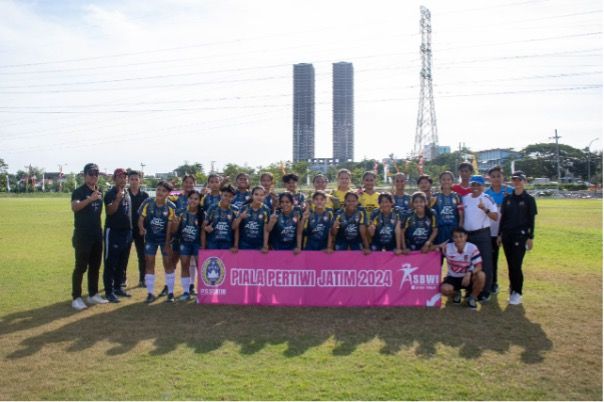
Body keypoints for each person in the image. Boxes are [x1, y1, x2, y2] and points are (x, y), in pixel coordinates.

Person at [70, 163, 107, 310]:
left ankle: (93, 294)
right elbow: (75, 207)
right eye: (91, 173)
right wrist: (90, 199)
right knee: (80, 267)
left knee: (95, 266)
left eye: (96, 174)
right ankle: (76, 297)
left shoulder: (99, 191)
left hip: (97, 234)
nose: (94, 176)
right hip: (83, 235)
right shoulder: (79, 191)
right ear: (85, 175)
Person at [498, 171, 538, 305]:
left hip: (520, 236)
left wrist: (530, 237)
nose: (517, 182)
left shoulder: (529, 199)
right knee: (511, 265)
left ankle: (517, 292)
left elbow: (531, 220)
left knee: (516, 265)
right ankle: (512, 288)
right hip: (507, 236)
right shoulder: (508, 198)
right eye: (514, 179)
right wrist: (499, 234)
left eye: (519, 179)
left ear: (524, 181)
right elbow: (502, 219)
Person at [138, 181, 176, 303]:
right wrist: (141, 228)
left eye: (164, 191)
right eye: (158, 189)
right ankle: (150, 293)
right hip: (150, 239)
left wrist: (167, 243)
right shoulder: (148, 202)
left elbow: (170, 226)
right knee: (149, 263)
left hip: (165, 239)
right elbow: (141, 218)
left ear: (168, 193)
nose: (160, 192)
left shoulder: (171, 207)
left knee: (168, 264)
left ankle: (170, 293)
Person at [462, 175, 498, 302]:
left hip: (482, 235)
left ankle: (485, 292)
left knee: (485, 264)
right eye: (473, 185)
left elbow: (495, 217)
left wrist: (485, 209)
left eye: (478, 185)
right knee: (469, 264)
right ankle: (470, 290)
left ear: (483, 186)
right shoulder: (465, 198)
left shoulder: (487, 198)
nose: (475, 187)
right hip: (468, 236)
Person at [102, 168, 133, 303]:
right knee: (111, 263)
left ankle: (118, 287)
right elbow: (110, 211)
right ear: (114, 179)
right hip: (113, 232)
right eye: (120, 177)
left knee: (122, 262)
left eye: (124, 177)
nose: (123, 179)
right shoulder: (110, 193)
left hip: (126, 232)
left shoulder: (127, 192)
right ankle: (109, 291)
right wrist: (117, 199)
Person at [440, 227, 486, 310]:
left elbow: (479, 266)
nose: (458, 239)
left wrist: (469, 273)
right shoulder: (447, 247)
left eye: (461, 236)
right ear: (453, 238)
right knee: (444, 289)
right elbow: (434, 251)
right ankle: (456, 294)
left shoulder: (472, 247)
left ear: (466, 237)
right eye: (456, 237)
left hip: (468, 277)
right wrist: (436, 246)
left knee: (481, 275)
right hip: (453, 277)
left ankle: (472, 298)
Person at [485, 166, 514, 294]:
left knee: (512, 260)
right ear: (489, 178)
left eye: (499, 176)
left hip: (508, 231)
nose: (496, 179)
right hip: (491, 232)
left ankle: (514, 286)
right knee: (492, 259)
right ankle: (493, 283)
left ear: (503, 177)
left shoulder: (511, 191)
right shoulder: (486, 193)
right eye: (493, 176)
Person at [166, 175, 196, 297]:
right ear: (183, 184)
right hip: (178, 234)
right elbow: (165, 196)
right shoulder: (176, 196)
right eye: (186, 182)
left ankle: (191, 285)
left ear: (194, 184)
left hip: (192, 234)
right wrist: (171, 186)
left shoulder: (198, 197)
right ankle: (168, 287)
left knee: (191, 262)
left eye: (191, 183)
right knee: (174, 260)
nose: (188, 185)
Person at [178, 191, 204, 301]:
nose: (193, 201)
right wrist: (175, 223)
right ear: (187, 199)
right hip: (184, 243)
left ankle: (201, 292)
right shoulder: (181, 212)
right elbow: (175, 230)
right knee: (184, 265)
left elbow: (203, 231)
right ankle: (186, 291)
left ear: (199, 201)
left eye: (196, 199)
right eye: (191, 198)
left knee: (200, 267)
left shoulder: (203, 214)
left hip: (197, 244)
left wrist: (203, 246)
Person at [125, 170, 149, 288]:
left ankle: (142, 279)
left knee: (142, 255)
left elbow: (148, 214)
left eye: (136, 179)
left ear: (140, 180)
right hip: (126, 230)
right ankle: (122, 279)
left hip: (140, 229)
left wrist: (144, 227)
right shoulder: (124, 194)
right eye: (132, 179)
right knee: (124, 255)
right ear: (128, 180)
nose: (134, 181)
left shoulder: (145, 196)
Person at [233, 186, 271, 251]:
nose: (259, 197)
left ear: (265, 196)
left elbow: (266, 229)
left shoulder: (266, 209)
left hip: (259, 245)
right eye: (256, 194)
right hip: (244, 245)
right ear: (251, 195)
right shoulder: (244, 208)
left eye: (262, 195)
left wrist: (265, 245)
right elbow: (235, 227)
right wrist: (236, 245)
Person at [202, 184, 238, 252]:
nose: (227, 198)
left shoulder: (235, 209)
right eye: (225, 195)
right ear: (221, 195)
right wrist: (206, 228)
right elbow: (203, 226)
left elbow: (236, 229)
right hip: (212, 243)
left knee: (226, 263)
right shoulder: (212, 208)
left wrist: (235, 245)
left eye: (230, 196)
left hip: (227, 243)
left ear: (233, 198)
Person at [433, 171, 464, 249]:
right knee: (439, 257)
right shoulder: (435, 197)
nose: (446, 181)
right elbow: (431, 215)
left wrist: (459, 231)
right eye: (443, 179)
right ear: (440, 181)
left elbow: (461, 215)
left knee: (454, 257)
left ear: (452, 181)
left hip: (453, 230)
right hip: (440, 231)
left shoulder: (457, 196)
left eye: (448, 179)